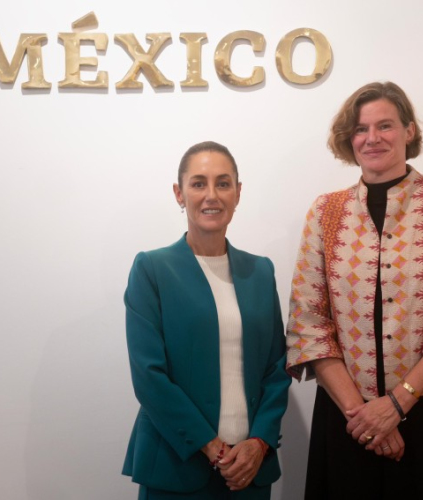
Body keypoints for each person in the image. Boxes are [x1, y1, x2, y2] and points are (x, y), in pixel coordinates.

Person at [286, 82, 423, 499]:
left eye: (385, 125)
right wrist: (365, 417)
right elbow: (308, 323)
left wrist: (397, 404)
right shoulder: (325, 212)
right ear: (349, 139)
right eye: (361, 129)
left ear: (409, 131)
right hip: (349, 418)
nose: (372, 137)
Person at [122, 141, 291, 500]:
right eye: (198, 183)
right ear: (178, 193)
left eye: (223, 183)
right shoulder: (152, 269)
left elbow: (277, 367)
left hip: (250, 471)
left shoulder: (261, 271)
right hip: (177, 467)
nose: (211, 195)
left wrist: (259, 443)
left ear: (238, 193)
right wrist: (213, 448)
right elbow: (149, 376)